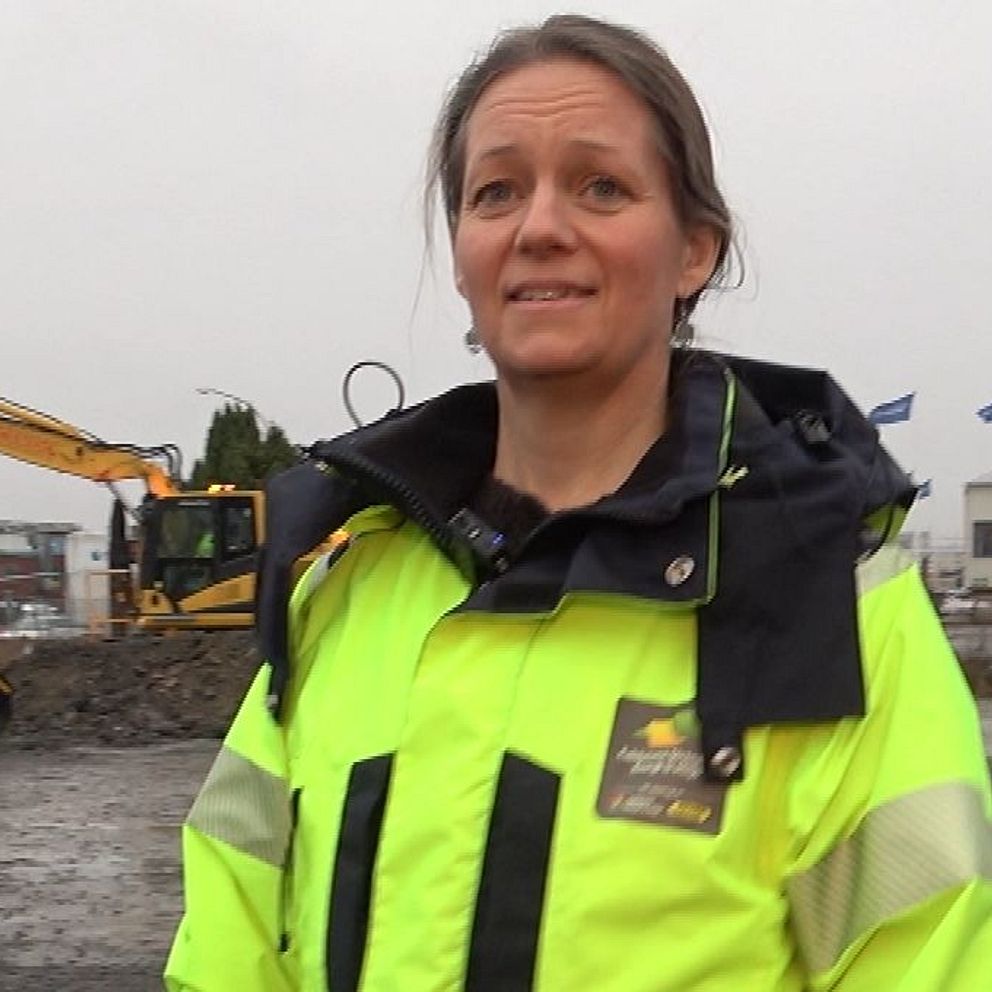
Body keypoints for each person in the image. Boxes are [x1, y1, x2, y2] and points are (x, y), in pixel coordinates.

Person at [165, 14, 991, 991]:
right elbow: (226, 945)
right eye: (496, 191)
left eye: (600, 186)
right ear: (463, 254)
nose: (539, 227)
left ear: (692, 251)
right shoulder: (342, 590)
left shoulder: (834, 610)